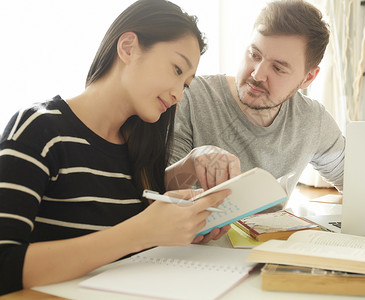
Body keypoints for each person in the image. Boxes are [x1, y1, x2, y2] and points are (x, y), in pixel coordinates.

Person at [0, 0, 230, 295]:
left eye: (186, 84)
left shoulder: (137, 145)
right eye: (176, 69)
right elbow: (5, 266)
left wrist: (183, 224)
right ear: (128, 47)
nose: (178, 95)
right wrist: (140, 233)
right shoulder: (39, 128)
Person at [167, 0, 345, 200]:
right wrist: (192, 163)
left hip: (274, 232)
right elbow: (161, 192)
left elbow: (357, 184)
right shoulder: (190, 97)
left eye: (278, 68)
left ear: (309, 78)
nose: (257, 74)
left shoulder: (313, 120)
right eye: (254, 54)